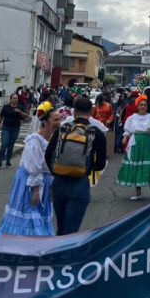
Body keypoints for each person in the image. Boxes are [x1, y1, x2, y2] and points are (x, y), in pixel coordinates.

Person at [45, 97, 108, 234]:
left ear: (74, 112)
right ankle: (67, 255)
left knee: (60, 229)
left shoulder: (63, 129)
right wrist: (87, 168)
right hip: (80, 182)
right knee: (71, 232)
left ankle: (57, 253)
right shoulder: (96, 133)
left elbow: (48, 154)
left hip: (59, 182)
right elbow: (101, 163)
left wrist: (56, 171)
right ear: (91, 112)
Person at [0, 102, 61, 235]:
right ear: (45, 122)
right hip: (30, 183)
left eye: (60, 119)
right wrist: (36, 191)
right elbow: (33, 168)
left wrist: (50, 187)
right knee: (28, 212)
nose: (59, 123)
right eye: (56, 120)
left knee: (39, 213)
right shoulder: (34, 140)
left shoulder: (52, 139)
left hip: (43, 180)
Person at [116, 96, 150, 200]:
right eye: (141, 105)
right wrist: (125, 137)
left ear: (147, 107)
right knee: (136, 165)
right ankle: (138, 193)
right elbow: (127, 130)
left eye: (145, 105)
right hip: (135, 141)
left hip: (147, 142)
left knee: (149, 165)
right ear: (137, 106)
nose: (143, 107)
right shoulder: (132, 118)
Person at [0, 92, 30, 168]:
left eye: (16, 98)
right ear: (10, 100)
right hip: (6, 128)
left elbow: (27, 116)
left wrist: (20, 111)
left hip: (15, 129)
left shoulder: (20, 107)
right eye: (14, 98)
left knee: (11, 145)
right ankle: (0, 162)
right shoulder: (6, 107)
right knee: (4, 144)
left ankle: (8, 162)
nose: (15, 100)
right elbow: (1, 117)